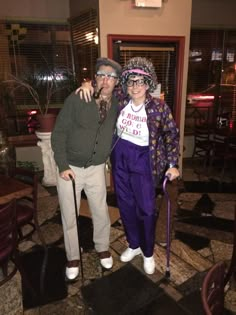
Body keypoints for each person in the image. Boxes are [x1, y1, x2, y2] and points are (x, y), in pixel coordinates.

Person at [78, 57, 180, 275]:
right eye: (131, 81)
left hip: (144, 160)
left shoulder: (159, 107)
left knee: (146, 209)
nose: (136, 86)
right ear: (126, 84)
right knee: (125, 205)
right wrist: (88, 84)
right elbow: (103, 87)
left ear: (149, 84)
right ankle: (134, 245)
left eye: (140, 81)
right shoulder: (121, 100)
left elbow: (171, 135)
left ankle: (148, 252)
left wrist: (172, 164)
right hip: (120, 157)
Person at [51, 57, 122, 281]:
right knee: (69, 214)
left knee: (101, 211)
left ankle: (102, 247)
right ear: (95, 78)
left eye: (111, 76)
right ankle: (72, 257)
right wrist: (62, 165)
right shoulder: (79, 98)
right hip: (70, 168)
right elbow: (59, 132)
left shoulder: (118, 104)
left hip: (96, 168)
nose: (106, 80)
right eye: (101, 75)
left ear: (117, 82)